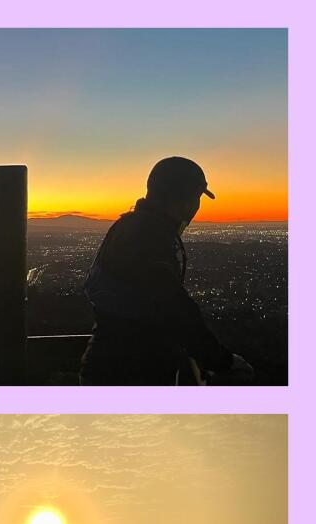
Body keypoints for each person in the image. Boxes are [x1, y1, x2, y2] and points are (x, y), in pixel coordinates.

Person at [80, 156, 253, 385]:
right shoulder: (148, 237)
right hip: (130, 371)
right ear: (185, 200)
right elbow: (174, 307)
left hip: (110, 362)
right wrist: (222, 360)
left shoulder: (130, 226)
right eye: (197, 198)